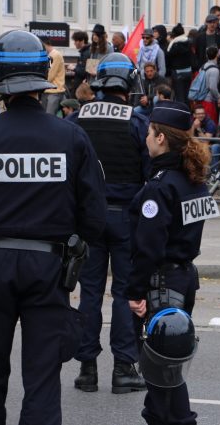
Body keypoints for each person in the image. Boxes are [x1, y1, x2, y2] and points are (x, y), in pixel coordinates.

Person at [0, 29, 107, 424]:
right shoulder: (71, 137)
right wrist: (72, 245)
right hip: (50, 268)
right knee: (43, 377)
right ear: (41, 75)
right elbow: (94, 216)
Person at [126, 101, 216, 425]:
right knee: (167, 362)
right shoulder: (194, 179)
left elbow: (149, 247)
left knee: (160, 364)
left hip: (161, 283)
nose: (146, 138)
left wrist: (134, 291)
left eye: (149, 132)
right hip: (184, 278)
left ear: (161, 137)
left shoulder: (161, 186)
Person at [74, 52, 150, 395]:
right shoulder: (137, 121)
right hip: (125, 217)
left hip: (87, 218)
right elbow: (151, 173)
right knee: (124, 292)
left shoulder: (77, 119)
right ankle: (123, 368)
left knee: (89, 293)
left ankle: (87, 370)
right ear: (129, 83)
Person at [166, 23, 194, 103]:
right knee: (186, 96)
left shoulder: (174, 45)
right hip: (188, 72)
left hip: (178, 73)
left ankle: (181, 113)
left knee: (179, 97)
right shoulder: (189, 43)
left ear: (174, 34)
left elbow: (168, 56)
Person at [41, 37, 67, 116]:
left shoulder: (55, 55)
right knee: (47, 116)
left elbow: (50, 75)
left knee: (49, 116)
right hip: (50, 90)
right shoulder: (51, 55)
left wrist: (41, 82)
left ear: (45, 44)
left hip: (54, 91)